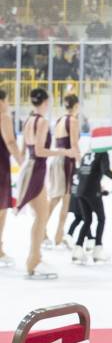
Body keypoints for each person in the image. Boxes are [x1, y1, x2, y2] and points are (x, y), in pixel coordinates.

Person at [16, 88, 74, 279]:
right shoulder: (41, 121)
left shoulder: (29, 120)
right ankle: (34, 260)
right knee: (41, 216)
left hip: (31, 168)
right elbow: (40, 151)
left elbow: (24, 150)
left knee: (40, 216)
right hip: (36, 168)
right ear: (45, 102)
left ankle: (34, 258)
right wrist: (62, 152)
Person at [70, 127, 112, 264]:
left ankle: (78, 249)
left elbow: (82, 172)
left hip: (80, 191)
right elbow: (106, 171)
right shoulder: (102, 153)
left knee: (87, 220)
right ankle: (98, 249)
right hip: (92, 191)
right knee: (101, 219)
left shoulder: (87, 154)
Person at [46, 94, 81, 249]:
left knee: (55, 197)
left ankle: (45, 230)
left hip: (57, 158)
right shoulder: (72, 121)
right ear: (76, 105)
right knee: (65, 199)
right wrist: (81, 164)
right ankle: (58, 234)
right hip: (66, 160)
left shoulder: (60, 120)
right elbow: (73, 144)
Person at [0, 89, 25, 268]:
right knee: (1, 210)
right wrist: (22, 163)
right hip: (1, 167)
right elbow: (10, 142)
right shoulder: (4, 117)